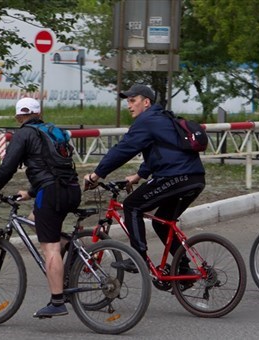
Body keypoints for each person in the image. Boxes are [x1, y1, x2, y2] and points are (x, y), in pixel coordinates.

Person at [83, 84, 206, 275]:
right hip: (195, 178)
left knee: (132, 206)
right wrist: (139, 175)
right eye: (127, 101)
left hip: (175, 177)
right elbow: (161, 152)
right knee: (162, 222)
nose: (129, 105)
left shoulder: (146, 121)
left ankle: (137, 258)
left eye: (133, 100)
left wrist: (96, 175)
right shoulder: (163, 118)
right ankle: (185, 270)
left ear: (146, 102)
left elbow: (122, 150)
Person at [0, 97, 81, 318]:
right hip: (72, 189)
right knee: (37, 220)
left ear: (18, 117)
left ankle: (57, 302)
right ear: (39, 113)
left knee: (50, 248)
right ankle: (69, 246)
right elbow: (54, 167)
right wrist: (31, 192)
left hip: (52, 192)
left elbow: (7, 167)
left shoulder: (23, 134)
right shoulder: (53, 131)